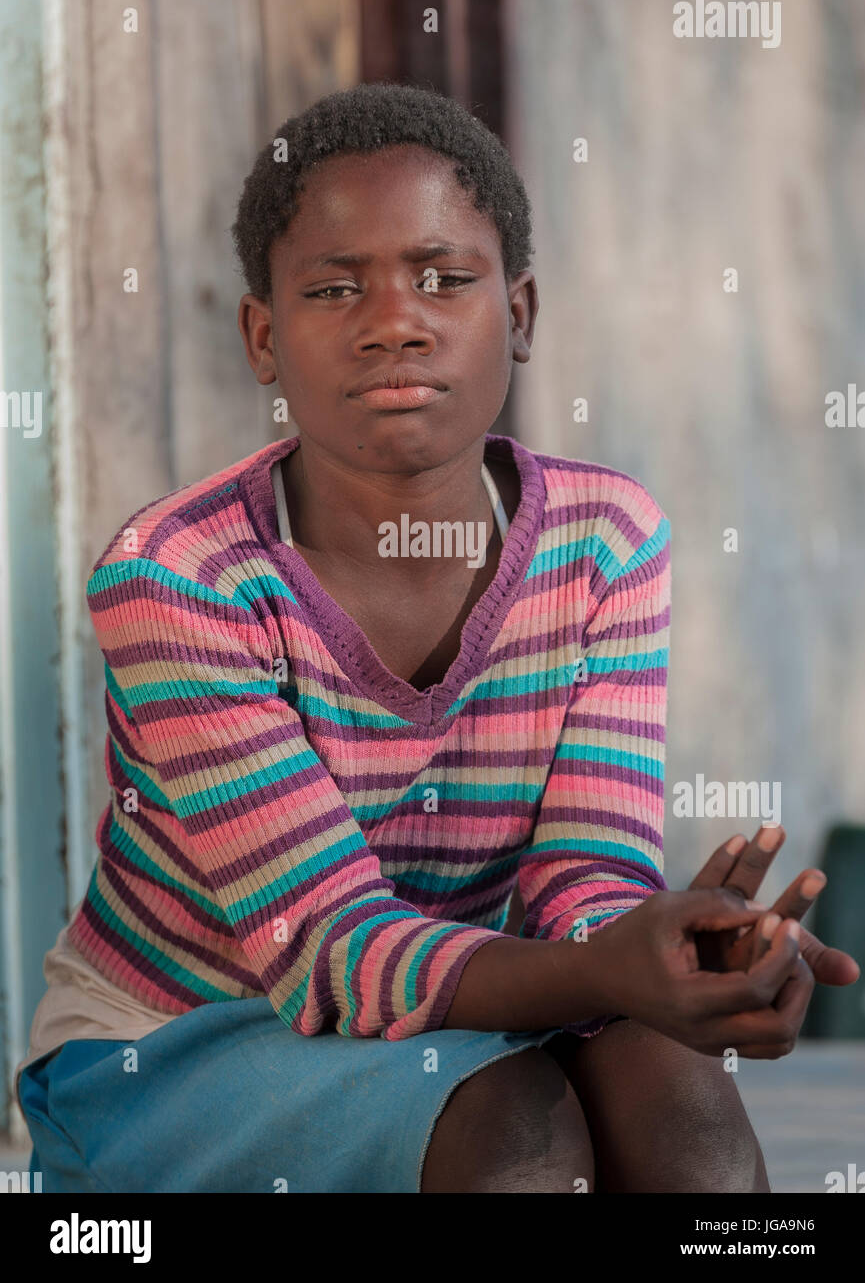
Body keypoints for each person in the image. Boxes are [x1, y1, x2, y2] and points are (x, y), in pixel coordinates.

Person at [16, 83, 859, 1194]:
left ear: (518, 311)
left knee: (671, 1087)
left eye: (444, 279)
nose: (393, 321)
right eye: (331, 289)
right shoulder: (181, 579)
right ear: (262, 338)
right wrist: (604, 968)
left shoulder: (604, 540)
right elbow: (334, 949)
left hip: (438, 1015)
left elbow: (581, 883)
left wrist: (683, 957)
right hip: (177, 1046)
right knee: (511, 1129)